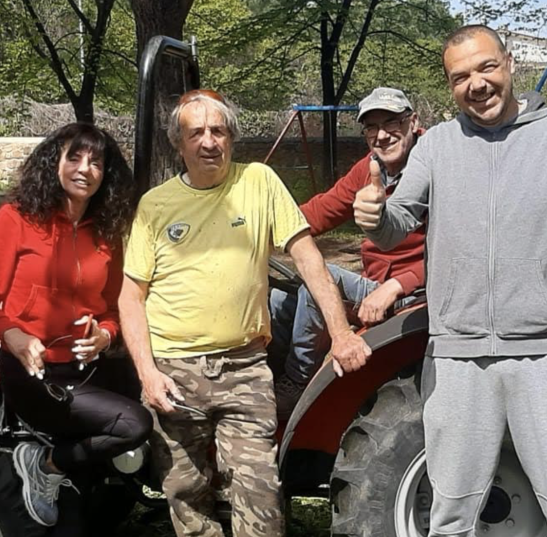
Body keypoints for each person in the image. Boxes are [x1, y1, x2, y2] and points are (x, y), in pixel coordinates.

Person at [354, 25, 547, 537]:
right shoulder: (438, 145)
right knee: (449, 518)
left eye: (486, 67)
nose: (476, 84)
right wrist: (375, 215)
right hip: (459, 359)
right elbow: (397, 224)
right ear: (450, 86)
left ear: (509, 64)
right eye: (460, 76)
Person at [119, 89, 371, 537]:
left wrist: (341, 333)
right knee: (185, 492)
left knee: (259, 491)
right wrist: (147, 374)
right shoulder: (156, 206)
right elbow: (130, 296)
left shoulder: (259, 182)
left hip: (244, 366)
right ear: (179, 144)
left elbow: (307, 257)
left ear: (231, 139)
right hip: (174, 370)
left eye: (218, 131)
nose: (209, 142)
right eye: (196, 133)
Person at [0, 123, 151, 533]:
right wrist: (12, 334)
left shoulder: (105, 232)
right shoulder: (16, 219)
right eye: (75, 157)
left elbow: (113, 308)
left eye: (96, 162)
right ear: (55, 163)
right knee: (134, 424)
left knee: (83, 507)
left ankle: (65, 480)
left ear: (106, 174)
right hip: (33, 373)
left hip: (87, 370)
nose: (85, 169)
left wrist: (104, 334)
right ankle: (43, 464)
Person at [268, 86, 427, 418]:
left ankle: (298, 384)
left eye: (391, 123)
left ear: (412, 122)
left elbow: (458, 248)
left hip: (416, 293)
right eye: (372, 127)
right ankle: (270, 377)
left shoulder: (434, 165)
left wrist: (397, 286)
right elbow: (322, 211)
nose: (382, 135)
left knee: (320, 281)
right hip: (377, 284)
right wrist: (262, 230)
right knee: (279, 299)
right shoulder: (370, 169)